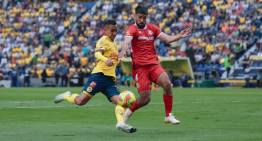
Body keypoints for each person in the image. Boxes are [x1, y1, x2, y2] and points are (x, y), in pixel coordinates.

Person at [53, 20, 136, 133]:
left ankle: (121, 123)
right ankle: (66, 96)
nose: (114, 33)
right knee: (80, 102)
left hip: (110, 80)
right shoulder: (103, 40)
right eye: (112, 31)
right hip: (99, 76)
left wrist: (118, 60)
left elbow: (112, 60)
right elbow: (97, 53)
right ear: (105, 30)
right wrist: (105, 60)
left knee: (120, 102)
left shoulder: (113, 43)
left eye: (116, 31)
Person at [118, 6, 191, 126]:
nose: (142, 20)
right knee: (145, 99)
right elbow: (126, 41)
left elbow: (167, 38)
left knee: (167, 83)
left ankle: (168, 115)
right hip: (140, 68)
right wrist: (123, 50)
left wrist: (179, 36)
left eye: (144, 17)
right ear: (135, 16)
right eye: (140, 17)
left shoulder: (152, 28)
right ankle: (130, 110)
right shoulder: (132, 29)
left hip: (153, 64)